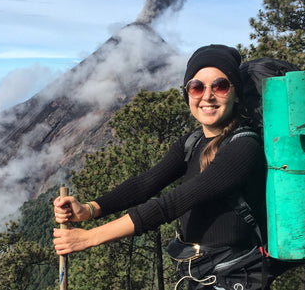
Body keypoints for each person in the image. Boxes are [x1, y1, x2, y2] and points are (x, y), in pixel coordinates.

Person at [53, 45, 270, 289]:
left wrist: (89, 237)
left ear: (236, 93)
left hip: (235, 278)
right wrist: (89, 209)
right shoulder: (192, 141)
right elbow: (144, 184)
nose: (207, 96)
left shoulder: (244, 147)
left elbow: (172, 203)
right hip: (200, 273)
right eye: (197, 86)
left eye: (220, 86)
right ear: (188, 93)